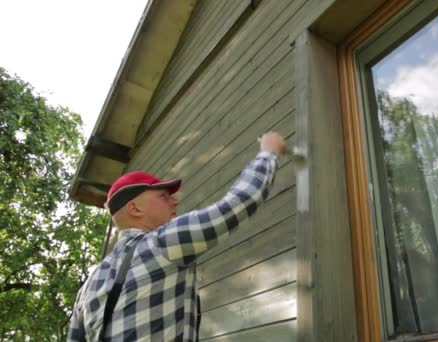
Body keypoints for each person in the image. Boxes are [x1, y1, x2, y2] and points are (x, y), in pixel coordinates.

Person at [68, 131, 286, 341]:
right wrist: (269, 151)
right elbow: (239, 203)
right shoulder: (160, 244)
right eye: (164, 196)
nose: (176, 200)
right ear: (135, 209)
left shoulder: (89, 284)